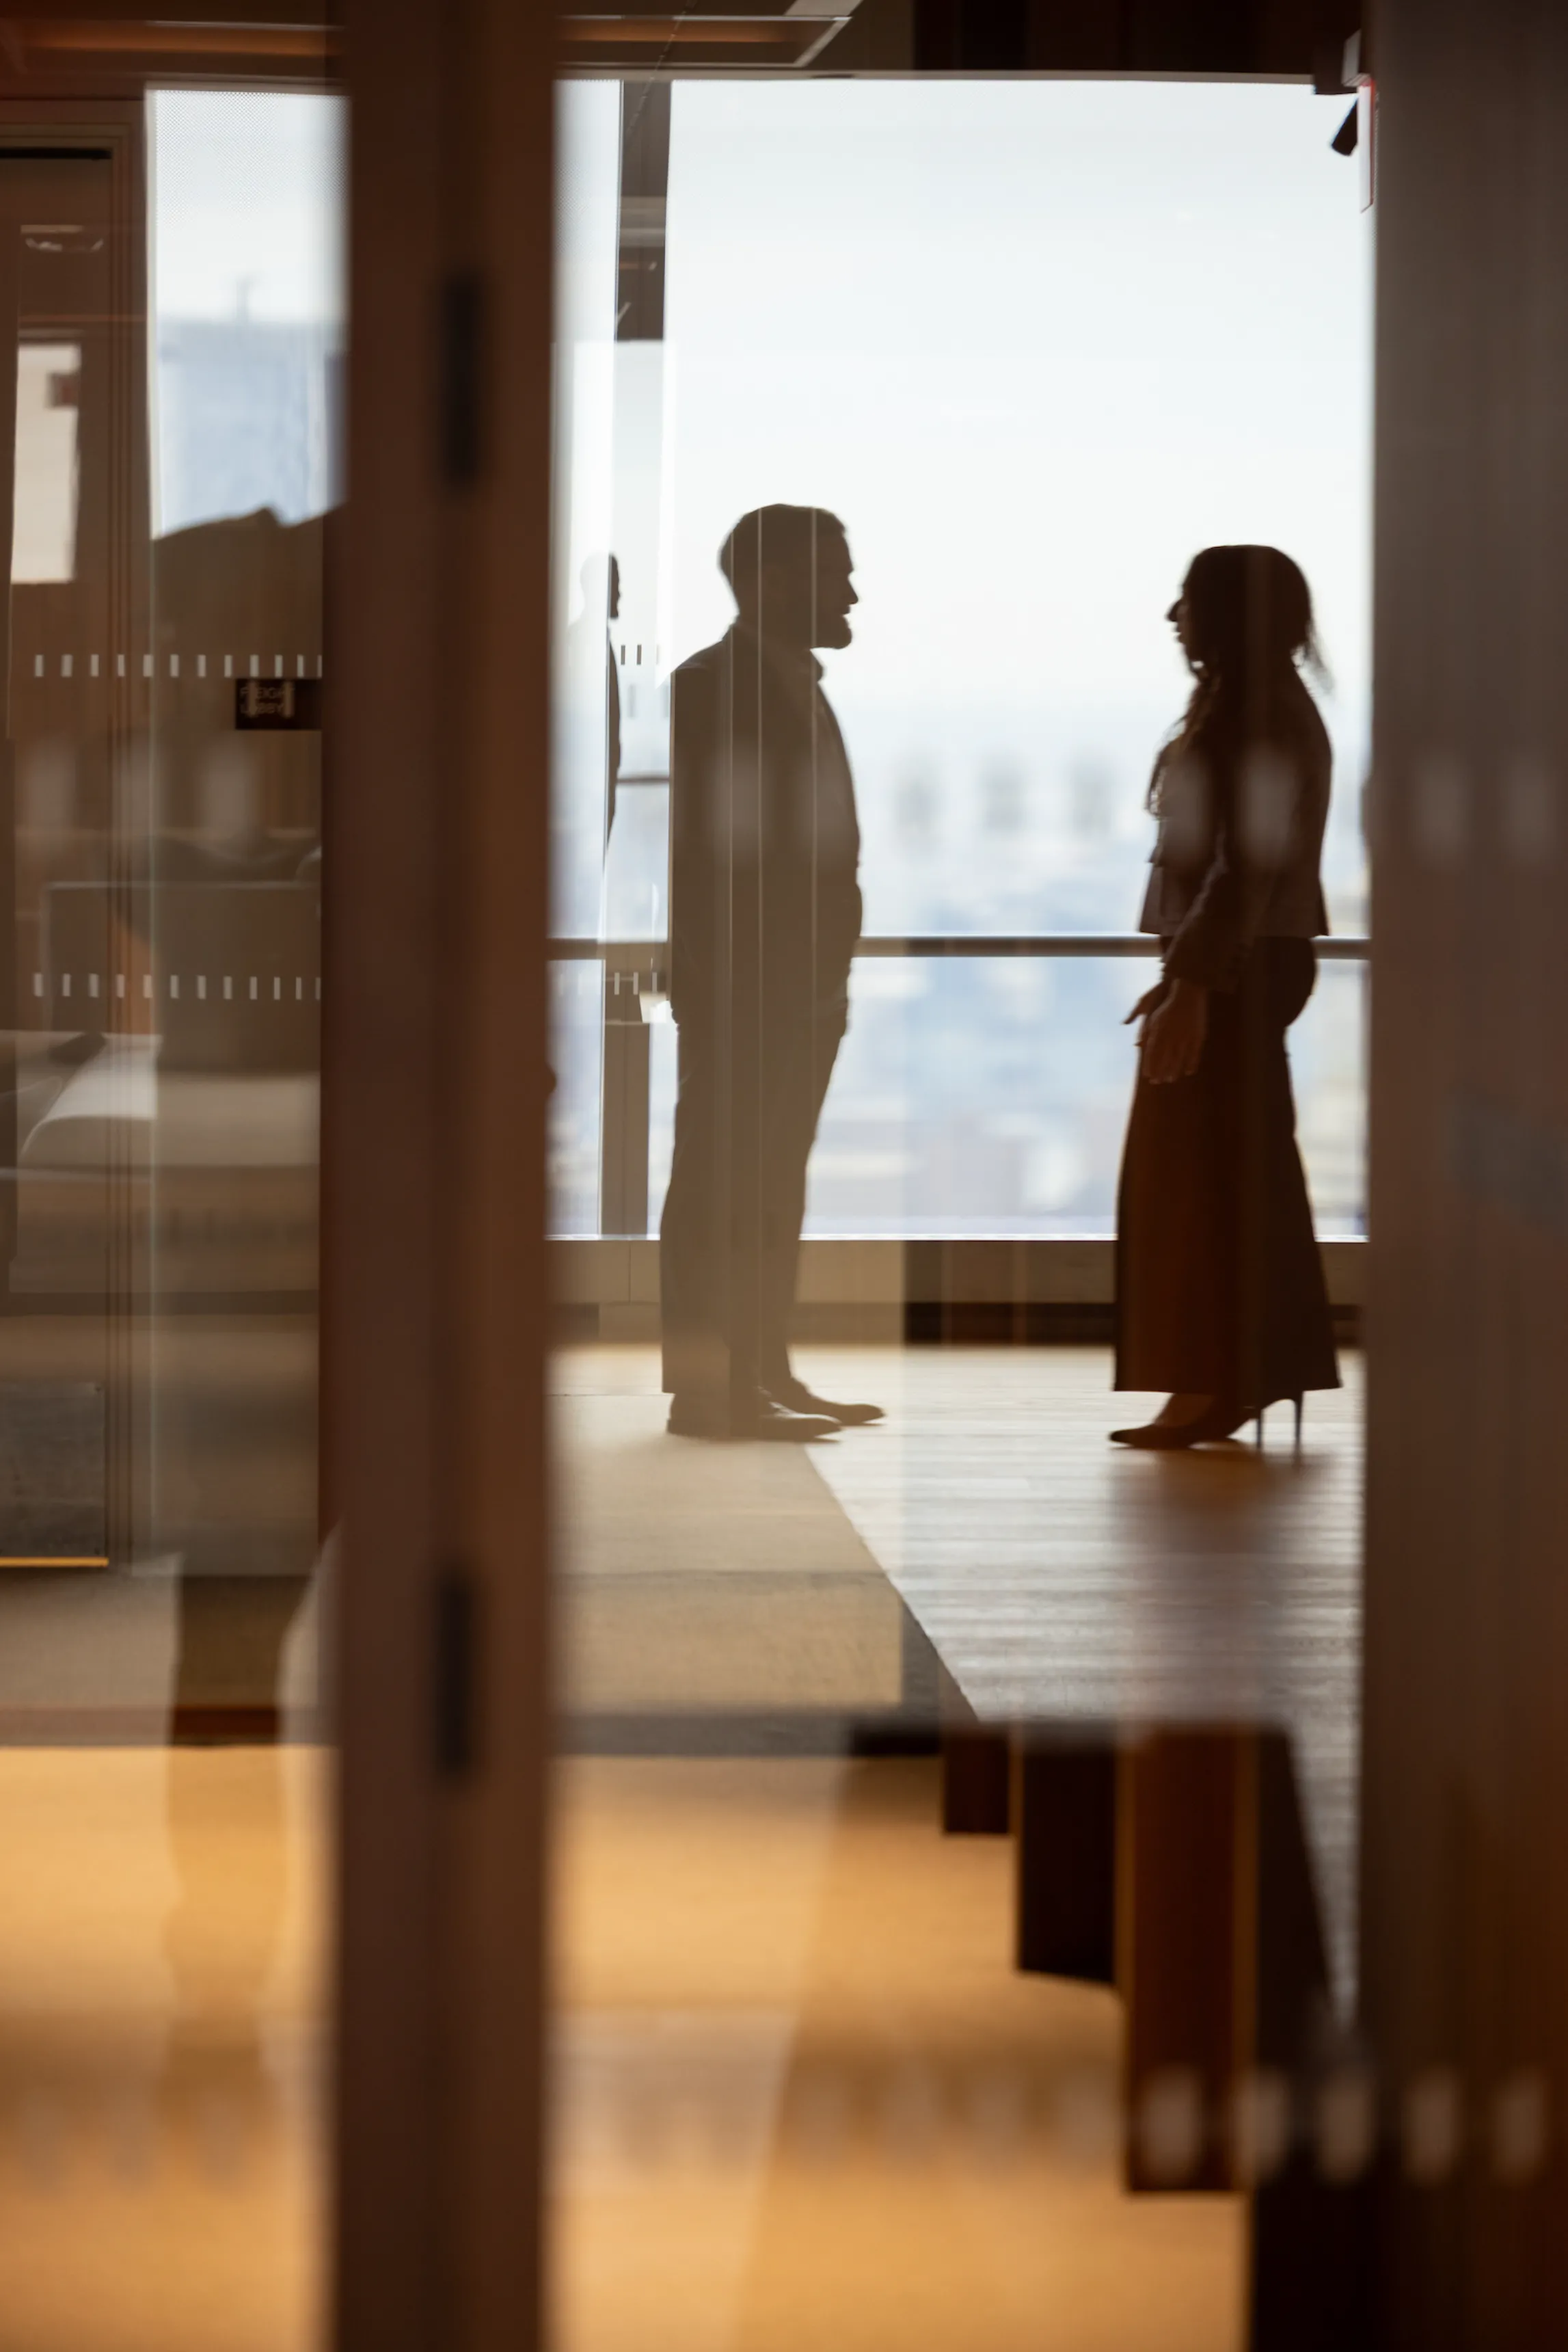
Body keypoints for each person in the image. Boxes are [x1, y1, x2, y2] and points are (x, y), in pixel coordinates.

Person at [660, 504, 882, 1439]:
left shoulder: (792, 682)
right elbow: (721, 848)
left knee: (772, 1176)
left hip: (799, 984)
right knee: (723, 1180)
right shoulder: (714, 685)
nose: (850, 592)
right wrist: (722, 974)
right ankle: (713, 1391)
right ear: (775, 580)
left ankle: (762, 1368)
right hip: (748, 980)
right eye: (834, 574)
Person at [1111, 544, 1340, 1448]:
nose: (1172, 616)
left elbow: (1244, 866)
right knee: (1232, 1172)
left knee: (1210, 1179)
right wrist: (1181, 978)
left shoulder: (1260, 716)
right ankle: (1240, 1372)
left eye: (1188, 601)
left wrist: (1195, 985)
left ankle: (1220, 1378)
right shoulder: (1256, 709)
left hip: (1238, 965)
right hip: (1238, 961)